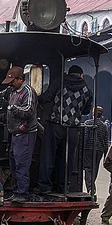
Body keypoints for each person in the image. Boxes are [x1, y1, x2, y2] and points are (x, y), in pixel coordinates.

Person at [37, 65, 93, 194]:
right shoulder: (87, 90)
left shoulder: (60, 81)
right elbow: (86, 111)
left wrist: (34, 97)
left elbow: (47, 97)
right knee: (66, 159)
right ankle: (63, 187)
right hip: (73, 129)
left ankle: (44, 187)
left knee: (48, 156)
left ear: (70, 73)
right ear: (81, 75)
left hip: (56, 124)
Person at [2, 66, 38, 202]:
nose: (10, 84)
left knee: (21, 163)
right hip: (15, 133)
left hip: (26, 133)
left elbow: (28, 110)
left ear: (20, 79)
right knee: (14, 162)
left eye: (12, 81)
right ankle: (16, 190)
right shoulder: (13, 91)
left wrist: (12, 108)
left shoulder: (28, 91)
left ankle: (22, 193)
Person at [83, 106, 109, 194]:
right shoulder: (104, 126)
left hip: (88, 149)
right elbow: (106, 141)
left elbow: (85, 137)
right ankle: (92, 186)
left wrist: (81, 149)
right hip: (99, 150)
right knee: (95, 169)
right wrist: (106, 154)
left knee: (88, 169)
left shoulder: (88, 123)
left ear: (92, 113)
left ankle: (90, 187)